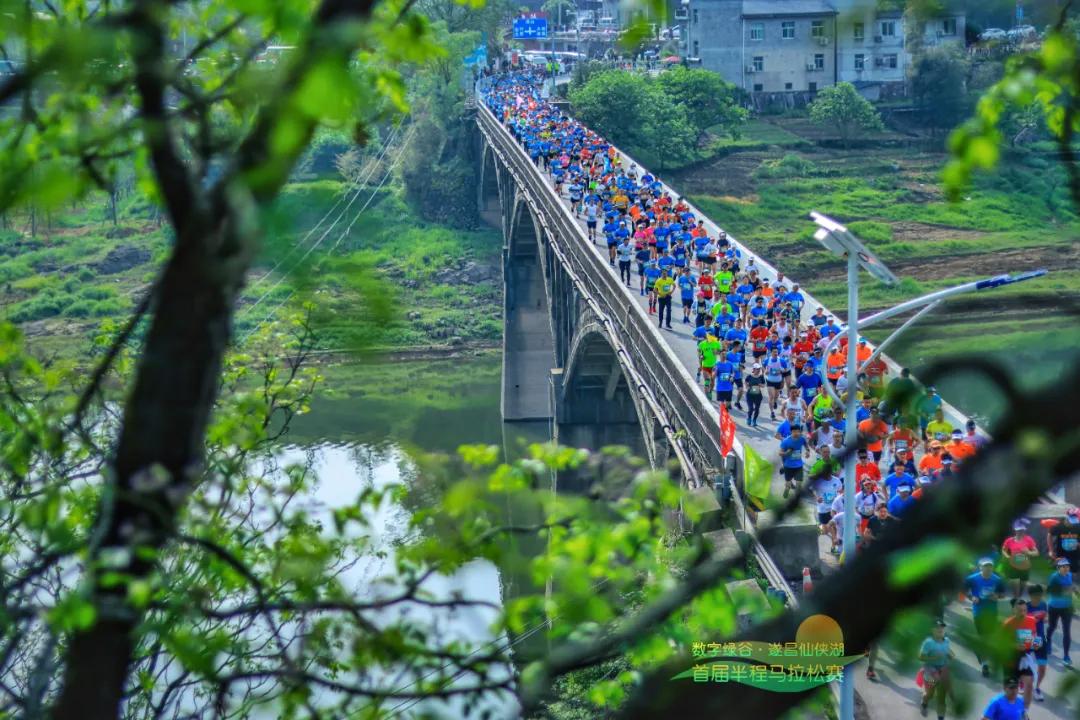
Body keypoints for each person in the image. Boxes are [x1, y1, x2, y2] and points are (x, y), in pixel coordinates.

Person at [966, 558, 1006, 677]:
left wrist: (997, 596)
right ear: (980, 567)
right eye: (985, 566)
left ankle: (983, 658)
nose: (988, 569)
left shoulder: (998, 580)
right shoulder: (972, 579)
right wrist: (972, 598)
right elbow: (964, 591)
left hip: (992, 613)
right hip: (978, 612)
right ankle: (985, 663)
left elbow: (1003, 594)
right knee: (983, 637)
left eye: (990, 567)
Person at [1001, 598, 1038, 710]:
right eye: (1019, 610)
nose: (1022, 613)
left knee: (1029, 684)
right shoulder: (1007, 624)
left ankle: (1024, 711)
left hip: (1024, 658)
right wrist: (1014, 646)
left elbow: (1034, 635)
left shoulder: (1031, 620)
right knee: (1012, 691)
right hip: (1010, 660)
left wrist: (1036, 643)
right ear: (1014, 611)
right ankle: (1009, 712)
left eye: (1024, 610)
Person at [918, 619, 955, 720]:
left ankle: (941, 717)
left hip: (942, 669)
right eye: (938, 628)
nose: (940, 629)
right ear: (933, 630)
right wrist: (934, 658)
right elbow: (920, 657)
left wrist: (950, 655)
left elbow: (947, 650)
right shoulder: (928, 643)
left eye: (942, 628)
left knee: (942, 695)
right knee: (930, 694)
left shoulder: (946, 641)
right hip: (929, 670)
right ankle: (924, 701)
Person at [1046, 557, 1075, 665]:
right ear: (1058, 568)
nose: (1066, 568)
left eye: (1067, 566)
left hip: (1067, 608)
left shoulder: (1070, 575)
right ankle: (1048, 640)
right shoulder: (1054, 577)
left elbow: (1071, 588)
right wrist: (1065, 591)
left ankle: (1066, 656)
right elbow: (1049, 591)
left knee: (1066, 631)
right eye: (1063, 566)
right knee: (1052, 626)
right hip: (1054, 607)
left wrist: (1074, 593)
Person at [1001, 522, 1038, 599]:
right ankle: (1016, 598)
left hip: (1025, 565)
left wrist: (1028, 552)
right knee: (1014, 582)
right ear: (1015, 531)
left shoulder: (1028, 539)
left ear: (1024, 530)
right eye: (1019, 530)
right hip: (1013, 564)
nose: (1020, 532)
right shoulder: (1009, 540)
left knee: (1023, 583)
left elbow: (1036, 553)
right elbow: (1003, 550)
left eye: (1022, 530)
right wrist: (1007, 556)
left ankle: (1019, 597)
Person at [1026, 584, 1048, 702]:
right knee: (1025, 665)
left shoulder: (1043, 604)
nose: (1038, 597)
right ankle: (1023, 683)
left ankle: (1037, 688)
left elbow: (1045, 616)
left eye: (1040, 595)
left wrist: (1045, 618)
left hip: (1040, 638)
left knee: (1043, 667)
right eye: (1035, 595)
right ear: (1030, 596)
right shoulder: (1025, 607)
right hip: (1028, 638)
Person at [779, 424, 809, 499]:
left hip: (799, 465)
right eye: (794, 432)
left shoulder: (802, 439)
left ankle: (796, 497)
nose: (796, 433)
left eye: (798, 431)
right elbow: (780, 453)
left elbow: (805, 444)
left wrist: (807, 451)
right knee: (788, 483)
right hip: (788, 466)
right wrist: (787, 453)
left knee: (799, 483)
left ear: (800, 432)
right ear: (791, 432)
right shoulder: (786, 441)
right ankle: (787, 488)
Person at [1049, 506, 1080, 570]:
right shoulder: (1059, 525)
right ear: (1067, 517)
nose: (1074, 523)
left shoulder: (1078, 525)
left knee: (1074, 572)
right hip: (1061, 554)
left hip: (1075, 554)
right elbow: (1049, 535)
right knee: (1062, 572)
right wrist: (1051, 550)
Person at [744, 363, 765, 427]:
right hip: (750, 395)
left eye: (759, 369)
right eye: (757, 369)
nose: (758, 370)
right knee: (751, 408)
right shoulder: (749, 376)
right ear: (753, 369)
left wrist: (760, 385)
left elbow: (763, 385)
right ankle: (749, 418)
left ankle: (754, 420)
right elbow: (745, 382)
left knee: (757, 409)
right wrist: (747, 387)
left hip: (758, 395)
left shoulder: (761, 377)